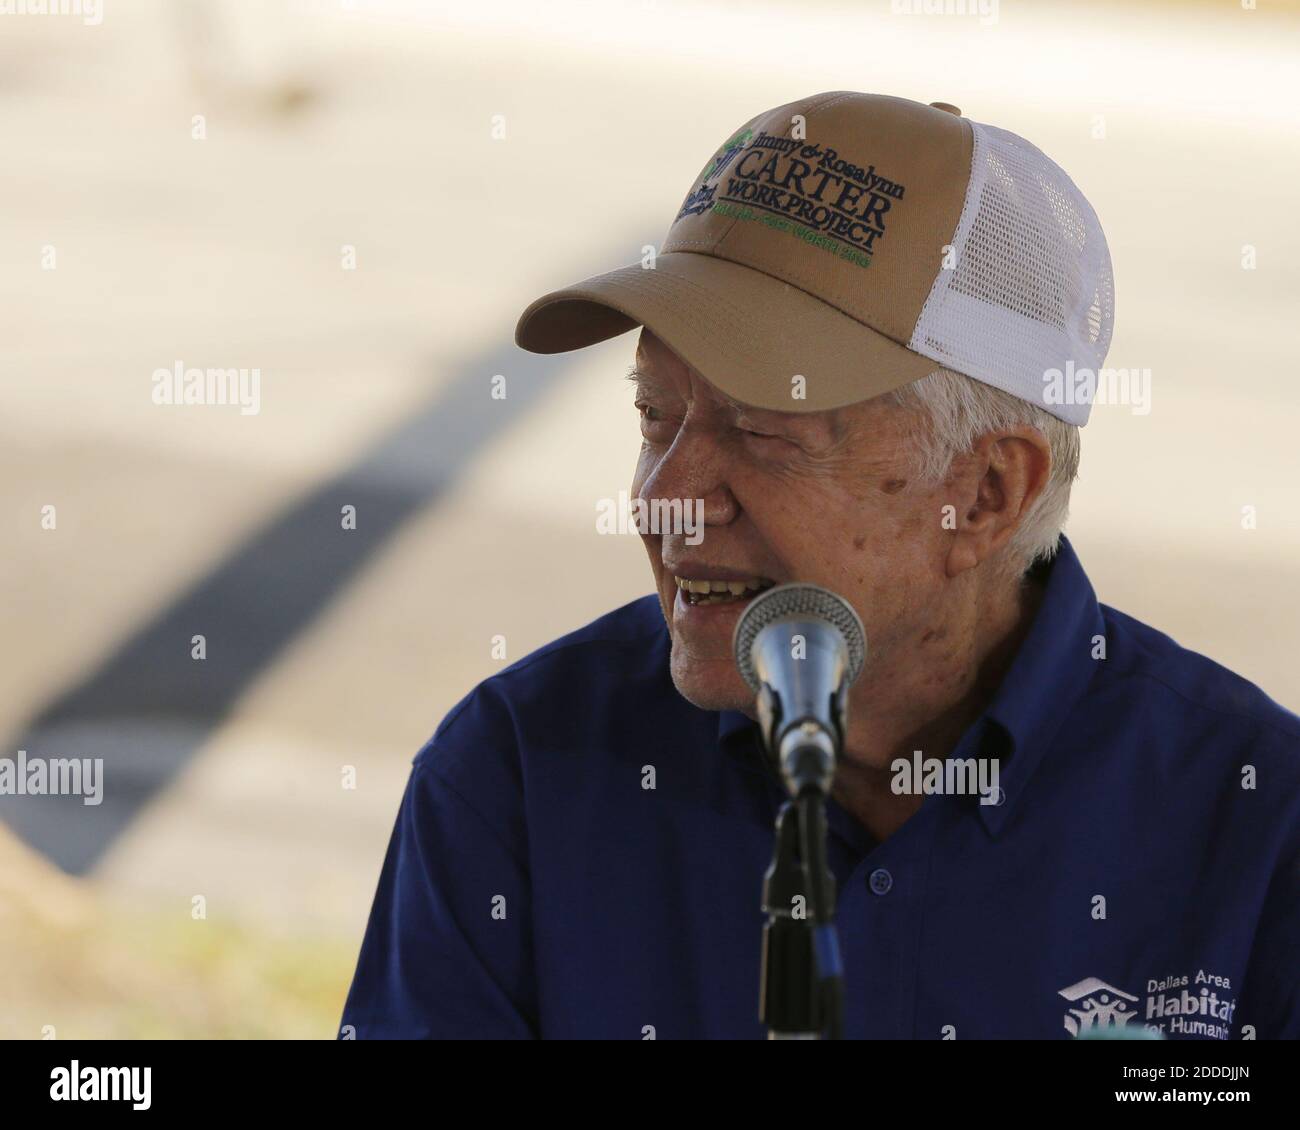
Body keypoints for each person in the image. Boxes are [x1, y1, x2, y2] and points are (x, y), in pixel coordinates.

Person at [341, 92, 1299, 1040]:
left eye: (762, 430)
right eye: (654, 418)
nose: (667, 496)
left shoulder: (1256, 820)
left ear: (990, 491)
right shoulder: (518, 768)